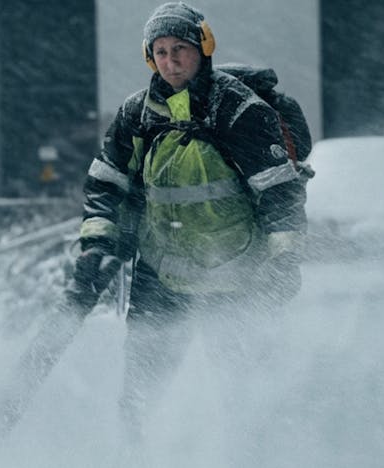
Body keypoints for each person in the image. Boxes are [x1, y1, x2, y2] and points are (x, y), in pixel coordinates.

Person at [65, 1, 308, 447]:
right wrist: (95, 246)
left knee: (245, 395)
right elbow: (105, 185)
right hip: (162, 275)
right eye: (160, 51)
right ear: (149, 57)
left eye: (181, 48)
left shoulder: (238, 111)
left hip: (236, 279)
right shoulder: (138, 115)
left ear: (203, 48)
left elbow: (279, 192)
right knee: (139, 392)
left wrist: (285, 258)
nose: (172, 60)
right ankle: (131, 455)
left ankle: (256, 456)